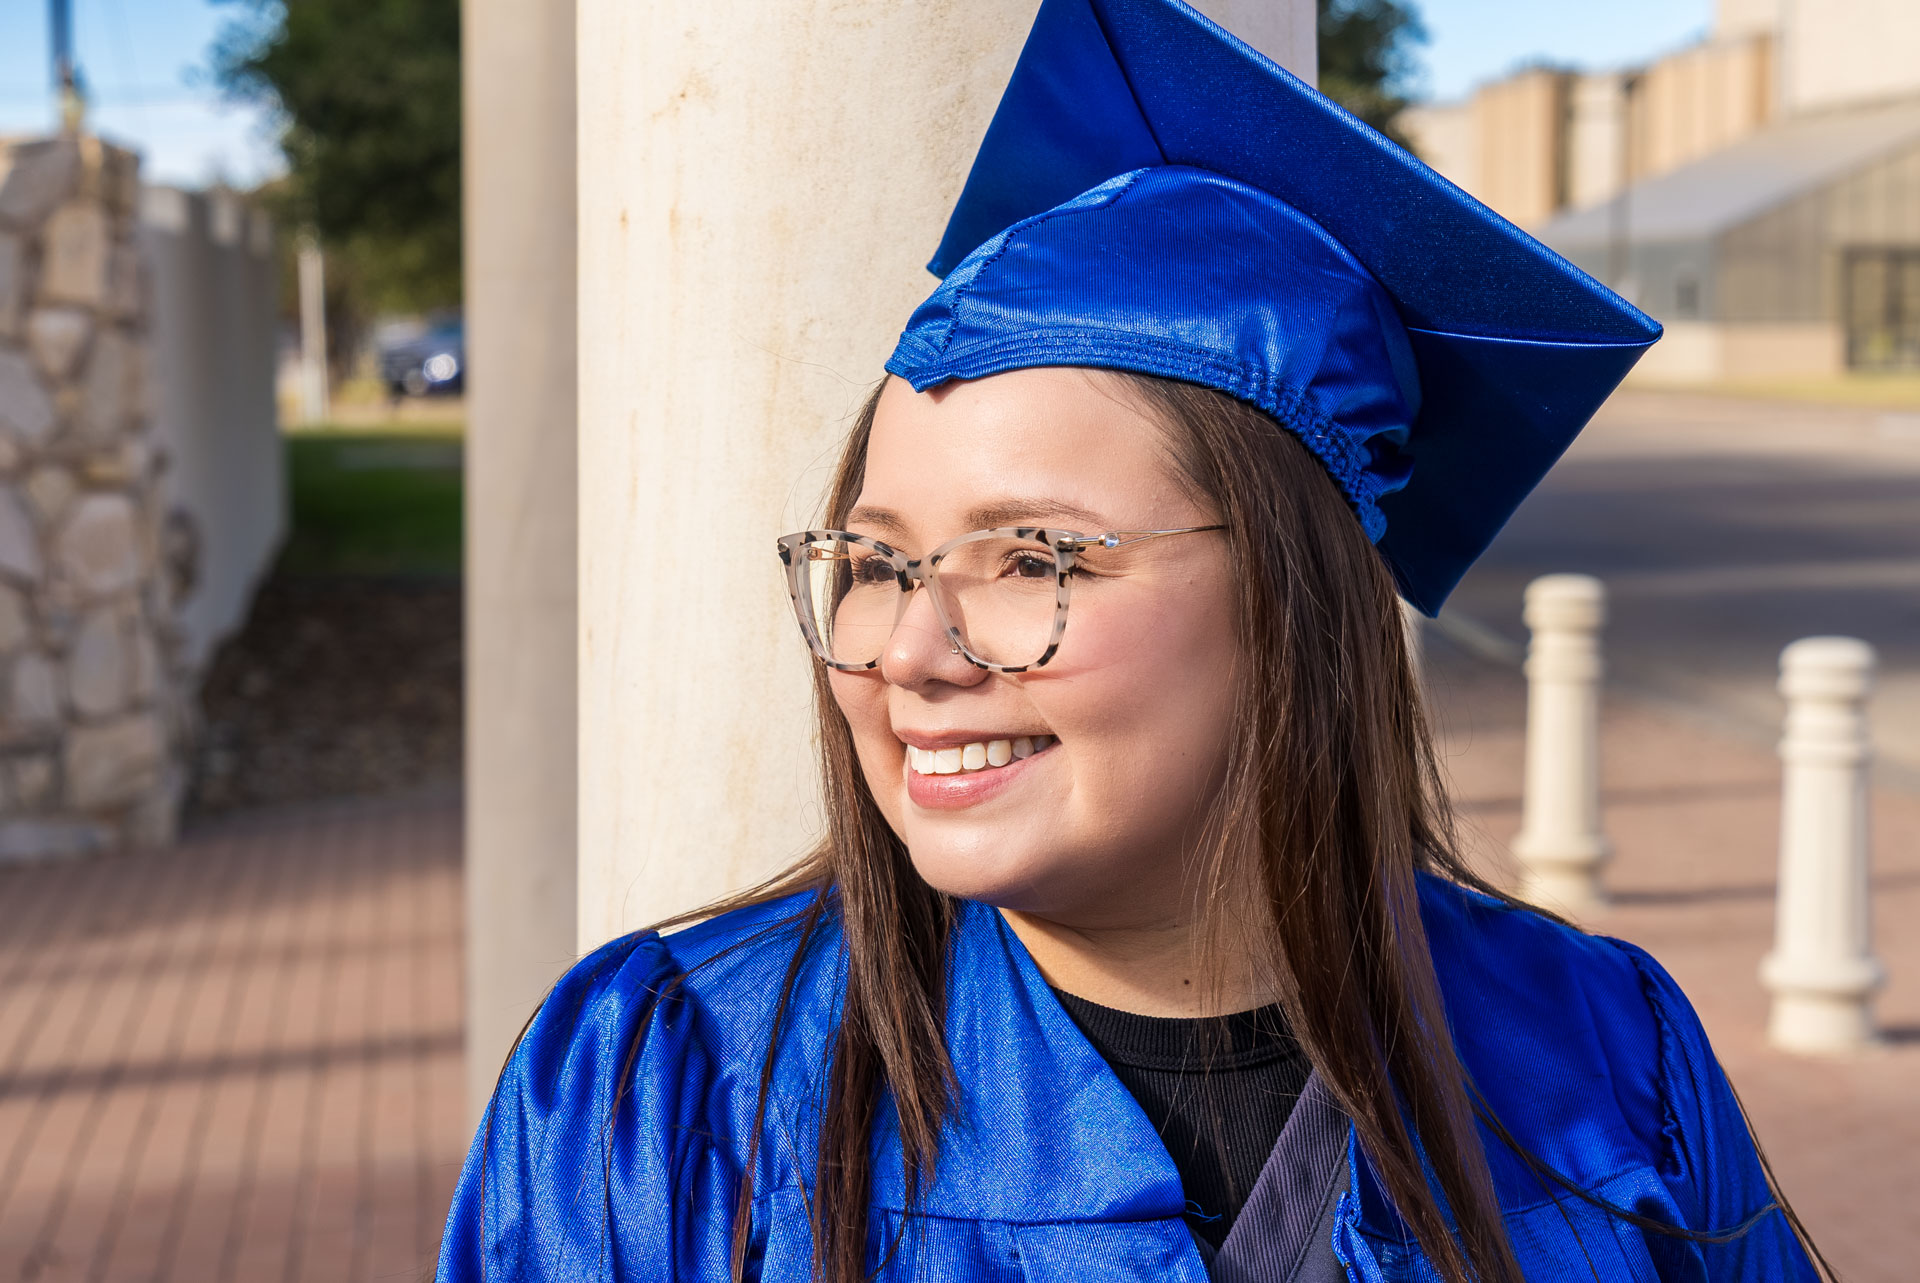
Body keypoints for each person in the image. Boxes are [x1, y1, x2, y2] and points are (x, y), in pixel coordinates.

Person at [437, 1, 1826, 1279]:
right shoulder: (667, 1084)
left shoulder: (1595, 1061)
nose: (910, 651)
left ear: (1296, 610)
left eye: (1035, 555)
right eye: (873, 562)